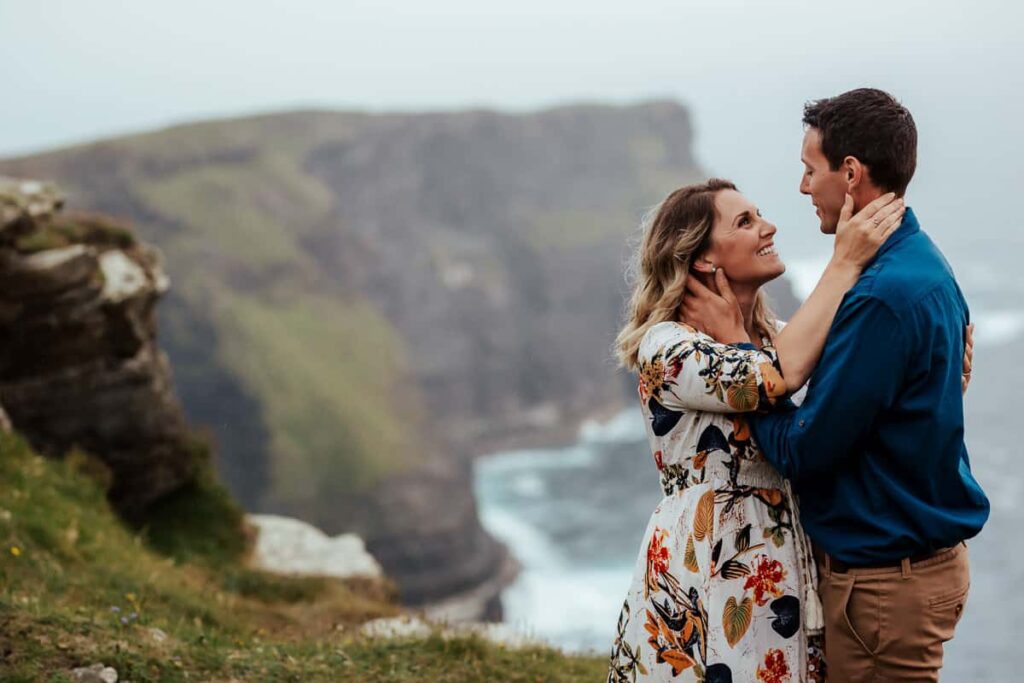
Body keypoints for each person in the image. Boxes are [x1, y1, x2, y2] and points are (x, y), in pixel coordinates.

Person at [681, 88, 990, 682]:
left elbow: (804, 448)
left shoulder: (880, 296)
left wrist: (743, 356)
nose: (801, 187)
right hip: (907, 571)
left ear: (850, 174)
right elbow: (901, 406)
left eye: (809, 169)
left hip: (883, 588)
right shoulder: (918, 263)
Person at [608, 177, 906, 682]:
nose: (768, 228)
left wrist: (941, 367)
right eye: (745, 222)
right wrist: (844, 263)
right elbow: (771, 378)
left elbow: (861, 388)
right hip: (705, 570)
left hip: (783, 573)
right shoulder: (667, 347)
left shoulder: (774, 338)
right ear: (702, 258)